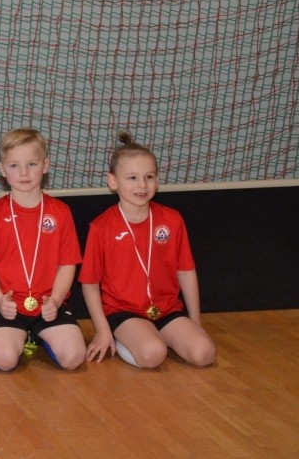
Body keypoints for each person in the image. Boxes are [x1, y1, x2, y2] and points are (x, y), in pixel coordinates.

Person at [80, 132, 216, 368]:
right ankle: (125, 338)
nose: (142, 185)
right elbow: (90, 284)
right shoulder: (101, 227)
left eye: (149, 177)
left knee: (204, 354)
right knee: (153, 354)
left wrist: (195, 322)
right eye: (132, 178)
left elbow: (186, 271)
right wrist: (102, 330)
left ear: (157, 180)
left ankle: (157, 336)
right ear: (113, 181)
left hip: (167, 310)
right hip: (124, 312)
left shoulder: (172, 220)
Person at [0, 129, 86, 371]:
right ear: (3, 170)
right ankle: (12, 339)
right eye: (14, 165)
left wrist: (55, 301)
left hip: (48, 303)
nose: (23, 173)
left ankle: (38, 336)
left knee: (75, 357)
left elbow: (67, 265)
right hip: (7, 305)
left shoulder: (61, 212)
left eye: (32, 164)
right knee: (5, 360)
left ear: (45, 165)